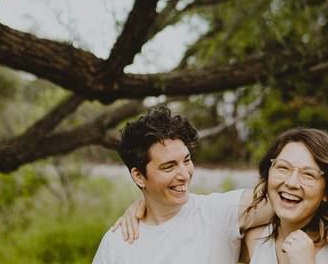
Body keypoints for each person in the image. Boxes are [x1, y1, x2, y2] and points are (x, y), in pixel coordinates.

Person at [92, 106, 272, 264]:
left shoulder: (219, 212)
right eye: (169, 166)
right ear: (139, 176)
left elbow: (285, 198)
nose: (185, 175)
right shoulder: (116, 243)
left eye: (186, 161)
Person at [241, 128, 328, 264]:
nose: (291, 183)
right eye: (283, 168)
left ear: (326, 191)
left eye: (308, 174)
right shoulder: (255, 238)